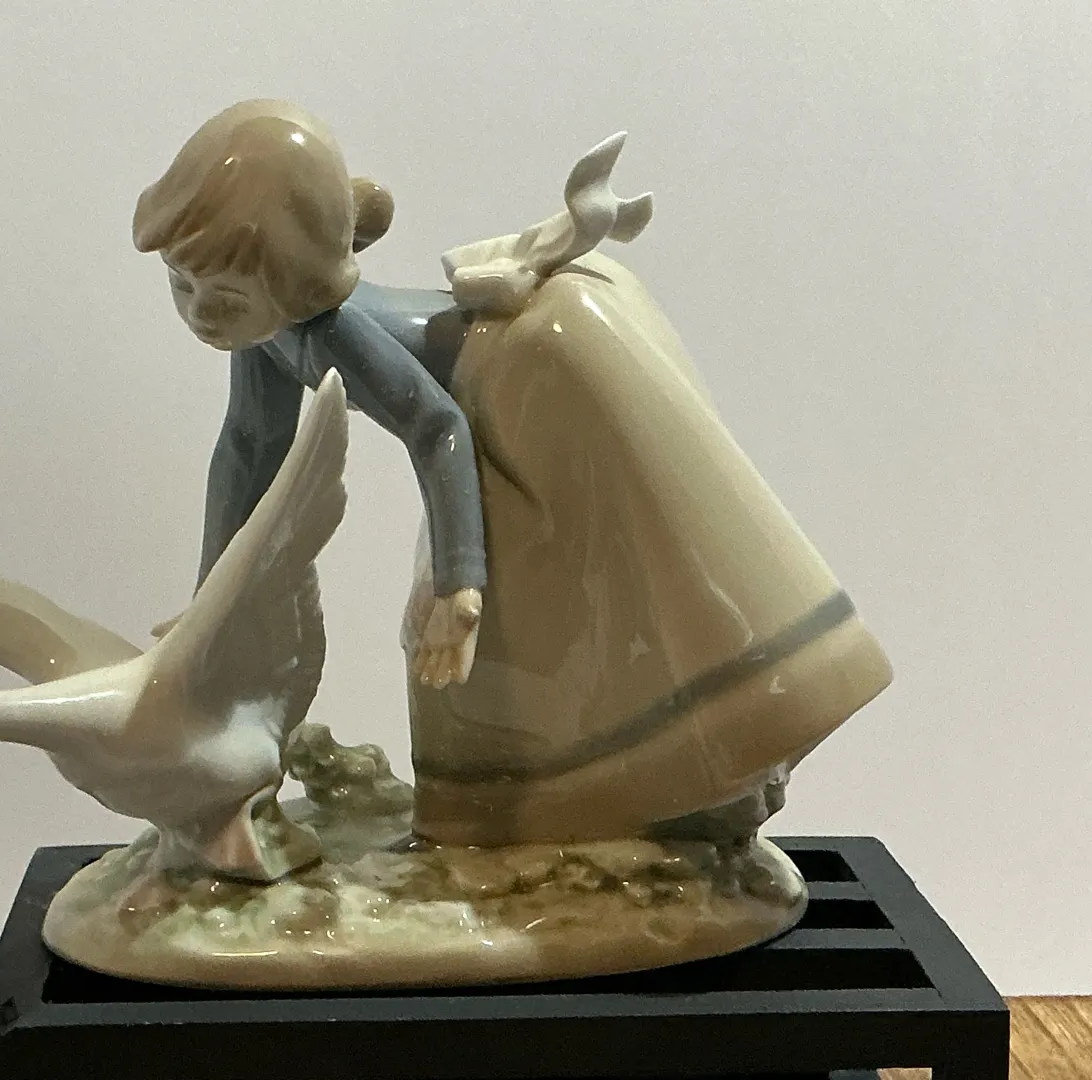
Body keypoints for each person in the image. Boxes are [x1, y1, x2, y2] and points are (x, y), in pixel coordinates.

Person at [132, 99, 893, 847]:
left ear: (296, 280)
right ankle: (634, 784)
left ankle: (653, 774)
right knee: (541, 617)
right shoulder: (267, 332)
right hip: (493, 387)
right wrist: (211, 602)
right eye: (181, 283)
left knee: (533, 624)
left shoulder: (327, 332)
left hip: (526, 379)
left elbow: (437, 428)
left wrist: (460, 587)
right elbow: (249, 447)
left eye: (224, 296)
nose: (200, 313)